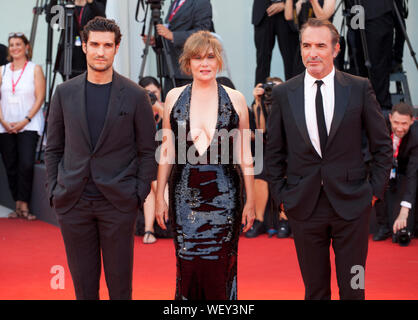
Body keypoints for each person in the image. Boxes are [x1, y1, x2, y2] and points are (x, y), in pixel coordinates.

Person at [266, 18, 392, 300]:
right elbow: (273, 152)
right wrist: (282, 196)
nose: (313, 53)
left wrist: (373, 193)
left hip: (352, 205)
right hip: (304, 206)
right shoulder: (285, 93)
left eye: (320, 46)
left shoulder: (359, 88)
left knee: (354, 289)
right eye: (306, 45)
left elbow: (382, 145)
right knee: (315, 291)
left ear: (335, 49)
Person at [44, 17, 157, 300]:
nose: (100, 51)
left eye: (107, 45)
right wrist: (54, 191)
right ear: (84, 46)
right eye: (94, 44)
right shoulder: (64, 93)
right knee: (84, 288)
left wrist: (137, 194)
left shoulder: (135, 95)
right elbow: (53, 147)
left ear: (116, 48)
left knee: (120, 288)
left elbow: (147, 150)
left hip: (118, 203)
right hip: (73, 201)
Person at [155, 31, 255, 300]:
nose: (204, 63)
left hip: (225, 195)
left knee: (222, 265)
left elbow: (245, 153)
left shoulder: (236, 99)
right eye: (198, 58)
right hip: (184, 194)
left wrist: (251, 200)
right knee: (187, 264)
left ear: (218, 60)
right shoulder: (173, 98)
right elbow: (166, 152)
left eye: (210, 57)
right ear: (188, 62)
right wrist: (159, 197)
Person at [0, 33, 46, 220]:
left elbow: (40, 97)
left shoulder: (34, 69)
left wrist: (25, 120)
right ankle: (17, 204)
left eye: (18, 44)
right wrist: (3, 121)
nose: (15, 48)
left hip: (29, 124)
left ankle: (24, 204)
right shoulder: (2, 70)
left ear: (26, 47)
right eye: (11, 45)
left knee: (26, 164)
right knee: (10, 165)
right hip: (5, 125)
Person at [246, 77, 289, 238]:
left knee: (288, 170)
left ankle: (284, 220)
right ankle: (258, 220)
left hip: (288, 152)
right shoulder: (259, 107)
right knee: (260, 171)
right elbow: (260, 130)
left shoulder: (291, 105)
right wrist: (258, 102)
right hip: (266, 152)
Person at [143, 0, 214, 96]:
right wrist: (156, 41)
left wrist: (173, 36)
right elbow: (172, 30)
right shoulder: (175, 3)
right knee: (170, 107)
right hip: (170, 68)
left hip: (187, 72)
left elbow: (203, 32)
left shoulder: (201, 2)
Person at [373, 102, 418, 244]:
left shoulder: (416, 136)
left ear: (412, 120)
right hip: (383, 161)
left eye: (404, 123)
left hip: (405, 164)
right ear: (390, 117)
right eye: (396, 122)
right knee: (377, 181)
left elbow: (412, 173)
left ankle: (412, 227)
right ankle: (383, 226)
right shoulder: (378, 124)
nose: (399, 127)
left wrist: (404, 212)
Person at [345, 0, 394, 111]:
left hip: (376, 13)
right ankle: (362, 107)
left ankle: (380, 109)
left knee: (377, 64)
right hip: (355, 11)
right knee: (357, 60)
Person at [138, 76, 168, 244]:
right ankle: (149, 230)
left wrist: (158, 107)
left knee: (153, 180)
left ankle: (153, 227)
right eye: (147, 94)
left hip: (169, 161)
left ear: (160, 92)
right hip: (146, 162)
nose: (151, 96)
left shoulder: (167, 108)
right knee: (149, 180)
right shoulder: (138, 112)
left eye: (154, 93)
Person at [47, 0, 106, 79]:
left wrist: (91, 2)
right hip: (68, 60)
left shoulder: (92, 7)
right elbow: (50, 19)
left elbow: (102, 16)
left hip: (87, 59)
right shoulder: (66, 8)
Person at [252, 0, 300, 83]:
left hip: (288, 10)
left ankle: (294, 95)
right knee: (262, 61)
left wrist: (285, 4)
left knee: (291, 61)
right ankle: (260, 95)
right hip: (263, 11)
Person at [284, 0, 336, 76]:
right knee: (300, 76)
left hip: (323, 44)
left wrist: (313, 2)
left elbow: (322, 19)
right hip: (305, 45)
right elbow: (288, 16)